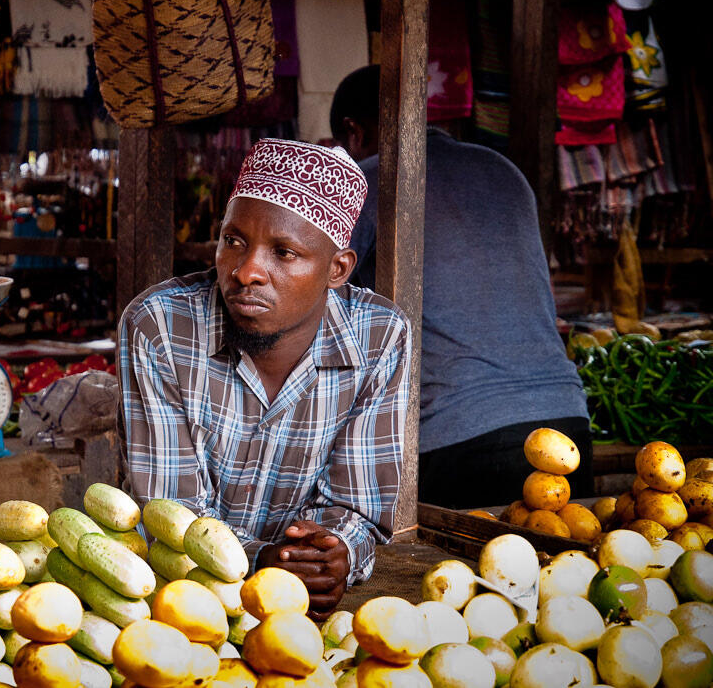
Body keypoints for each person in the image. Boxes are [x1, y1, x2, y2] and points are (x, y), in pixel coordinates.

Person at [117, 138, 411, 617]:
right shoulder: (160, 327)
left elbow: (356, 505)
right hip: (177, 604)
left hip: (306, 613)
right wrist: (261, 562)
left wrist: (332, 553)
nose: (246, 271)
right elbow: (169, 517)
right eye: (234, 241)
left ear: (337, 269)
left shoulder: (379, 337)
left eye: (284, 252)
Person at [330, 65, 591, 509]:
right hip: (567, 426)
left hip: (460, 437)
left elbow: (316, 296)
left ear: (354, 132)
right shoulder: (503, 169)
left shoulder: (369, 179)